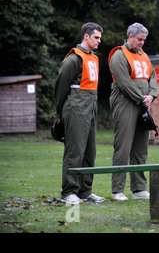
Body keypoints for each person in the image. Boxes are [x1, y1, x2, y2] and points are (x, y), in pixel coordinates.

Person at [54, 22, 105, 204]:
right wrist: (61, 114)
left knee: (89, 151)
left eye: (100, 37)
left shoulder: (94, 58)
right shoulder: (73, 59)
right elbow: (61, 88)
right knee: (75, 151)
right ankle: (69, 192)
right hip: (75, 108)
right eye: (96, 37)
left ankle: (85, 191)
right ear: (86, 36)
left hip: (90, 108)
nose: (99, 41)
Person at [108, 22, 158, 201]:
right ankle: (117, 190)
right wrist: (141, 97)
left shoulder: (144, 55)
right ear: (130, 37)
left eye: (144, 40)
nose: (142, 43)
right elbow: (123, 82)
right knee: (123, 145)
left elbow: (152, 76)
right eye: (139, 39)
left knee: (141, 147)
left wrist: (151, 96)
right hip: (125, 102)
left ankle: (139, 189)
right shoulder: (119, 55)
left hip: (143, 103)